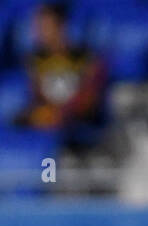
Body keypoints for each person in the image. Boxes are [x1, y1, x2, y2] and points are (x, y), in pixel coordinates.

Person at [15, 3, 107, 151]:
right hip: (49, 123)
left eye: (44, 27)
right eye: (37, 27)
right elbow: (37, 97)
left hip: (79, 125)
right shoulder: (34, 61)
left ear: (61, 26)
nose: (38, 32)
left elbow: (89, 100)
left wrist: (64, 113)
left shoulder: (87, 58)